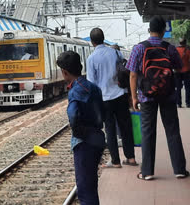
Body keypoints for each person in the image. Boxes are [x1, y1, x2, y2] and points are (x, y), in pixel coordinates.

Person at [126, 16, 188, 180]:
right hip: (168, 95)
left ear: (149, 30)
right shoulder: (170, 48)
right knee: (173, 131)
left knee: (147, 132)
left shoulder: (139, 48)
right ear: (163, 31)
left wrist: (134, 98)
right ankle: (180, 170)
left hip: (146, 97)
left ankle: (147, 172)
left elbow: (132, 75)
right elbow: (180, 68)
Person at [57, 51, 105, 205]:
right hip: (98, 138)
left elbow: (72, 115)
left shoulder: (75, 90)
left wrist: (79, 133)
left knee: (84, 190)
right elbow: (104, 111)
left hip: (85, 143)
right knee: (92, 185)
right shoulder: (93, 87)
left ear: (64, 72)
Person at [87, 28, 137, 168]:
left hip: (104, 99)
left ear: (92, 42)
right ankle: (131, 157)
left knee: (110, 129)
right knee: (125, 127)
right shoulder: (115, 52)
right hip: (120, 95)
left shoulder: (91, 58)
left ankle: (115, 161)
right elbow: (124, 68)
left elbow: (92, 83)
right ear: (103, 38)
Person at [175, 38, 190, 108]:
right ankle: (188, 103)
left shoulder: (176, 50)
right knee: (187, 88)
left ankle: (178, 103)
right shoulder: (188, 50)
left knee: (178, 88)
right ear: (185, 43)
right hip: (187, 71)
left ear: (179, 43)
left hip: (177, 71)